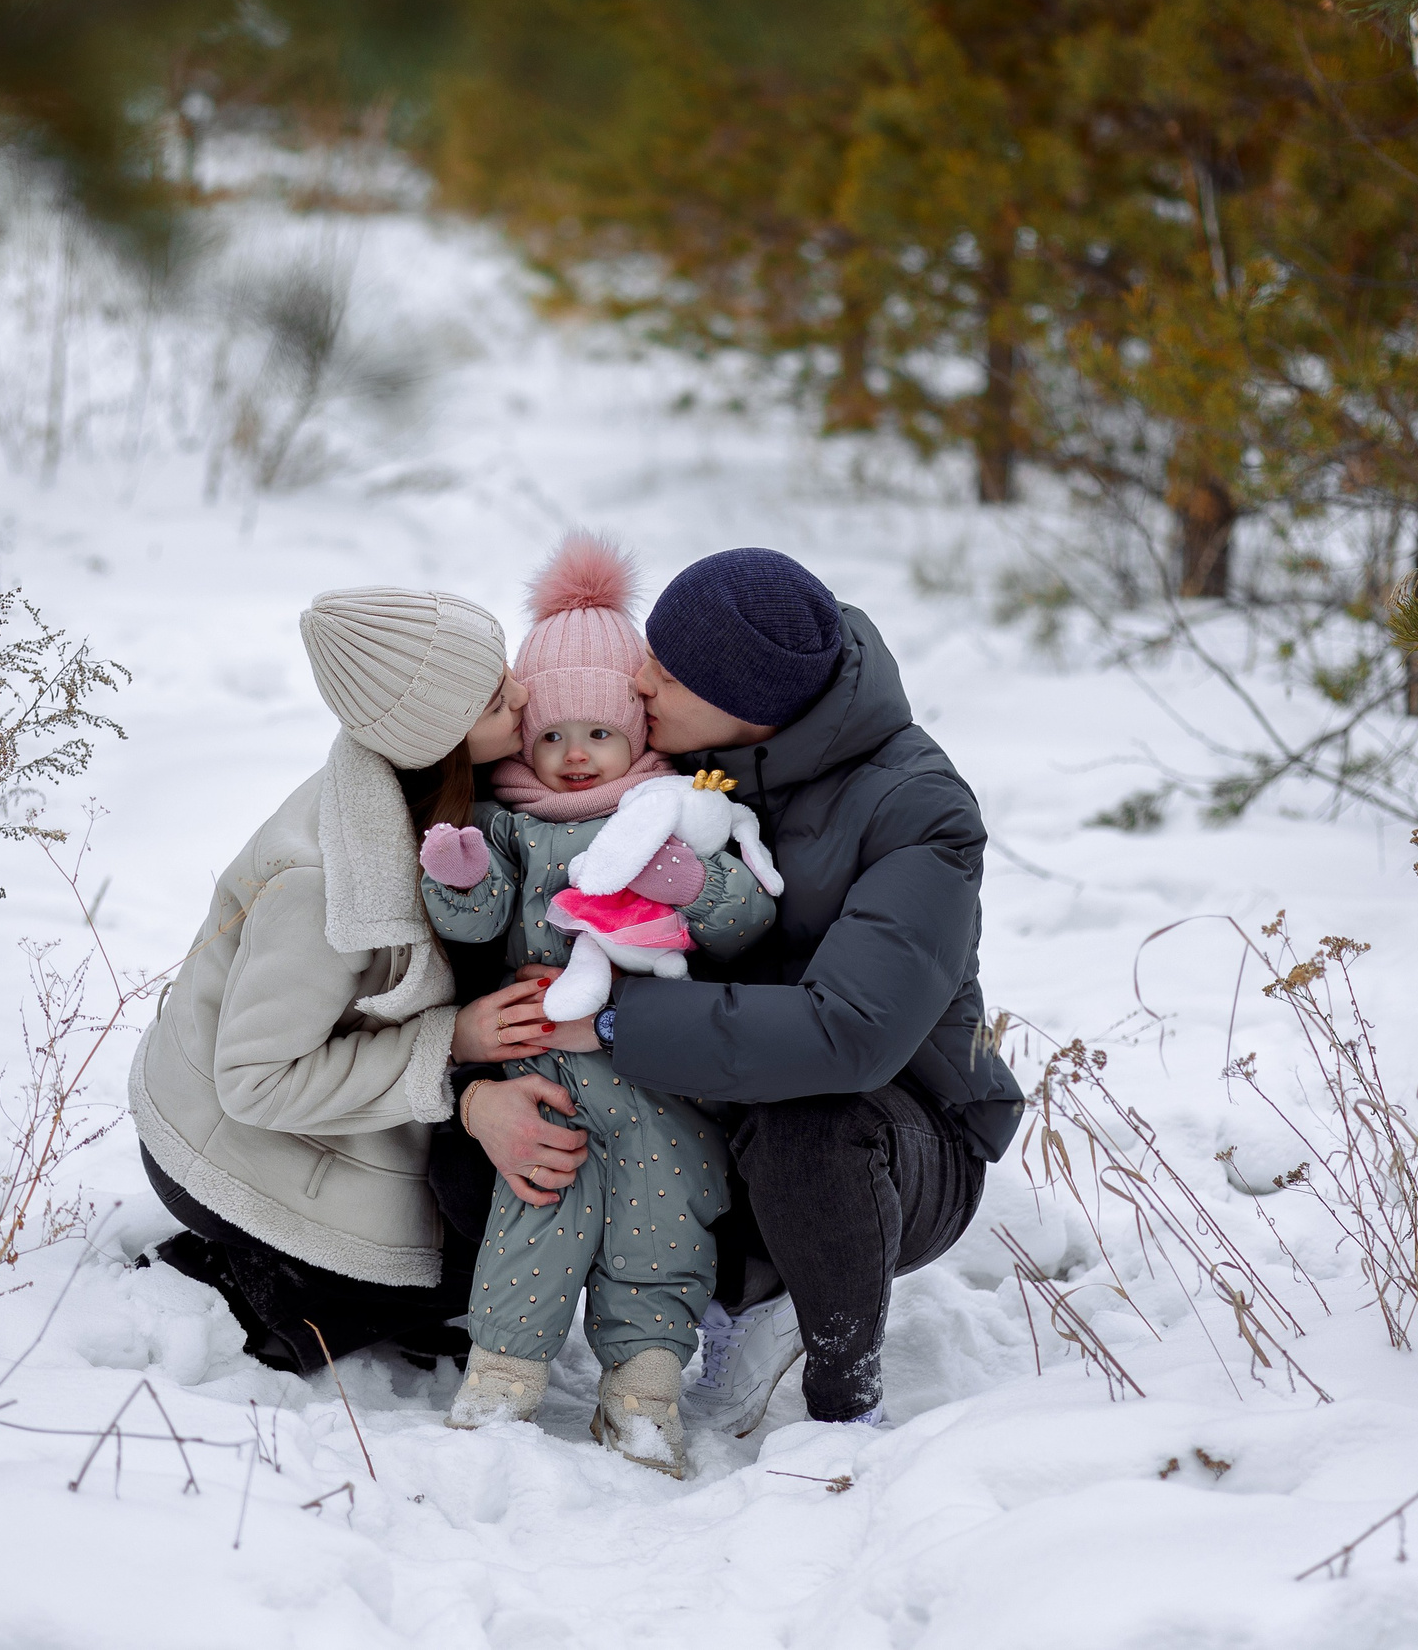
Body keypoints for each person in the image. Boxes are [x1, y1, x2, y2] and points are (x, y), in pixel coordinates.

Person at [513, 548, 1025, 1430]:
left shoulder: (919, 808)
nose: (638, 682)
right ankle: (736, 1292)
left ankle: (842, 1401)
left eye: (664, 673)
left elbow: (848, 1036)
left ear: (745, 702)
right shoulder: (670, 767)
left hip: (900, 1141)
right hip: (722, 1098)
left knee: (811, 1123)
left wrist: (607, 1018)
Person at [127, 585, 575, 1371]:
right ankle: (256, 1285)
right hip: (226, 1155)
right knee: (476, 1276)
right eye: (495, 697)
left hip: (311, 1125)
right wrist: (452, 1045)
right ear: (436, 737)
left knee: (511, 1245)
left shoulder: (435, 793)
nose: (523, 695)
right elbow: (255, 1081)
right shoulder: (322, 879)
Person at [416, 535, 774, 1476]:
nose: (576, 757)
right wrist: (460, 875)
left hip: (661, 1077)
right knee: (535, 1207)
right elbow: (482, 912)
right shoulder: (510, 823)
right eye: (553, 736)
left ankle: (644, 1391)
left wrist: (691, 881)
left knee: (663, 1223)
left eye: (601, 734)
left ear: (638, 736)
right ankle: (501, 1376)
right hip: (547, 1075)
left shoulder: (671, 813)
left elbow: (744, 918)